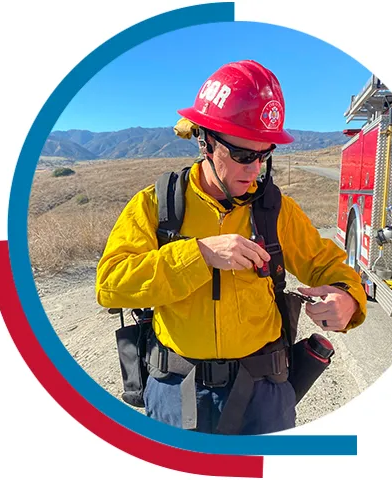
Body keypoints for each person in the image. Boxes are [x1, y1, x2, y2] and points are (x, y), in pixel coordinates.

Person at [96, 60, 367, 435]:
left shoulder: (275, 210)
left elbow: (327, 264)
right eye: (242, 155)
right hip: (176, 392)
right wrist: (199, 254)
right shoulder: (155, 206)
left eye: (264, 155)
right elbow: (110, 284)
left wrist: (347, 297)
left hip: (263, 395)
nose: (255, 169)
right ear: (206, 141)